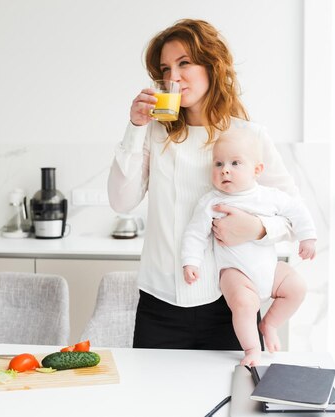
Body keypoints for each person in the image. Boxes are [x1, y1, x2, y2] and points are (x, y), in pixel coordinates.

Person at [108, 19, 300, 350]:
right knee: (154, 402)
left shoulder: (250, 136)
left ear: (212, 66)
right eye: (166, 68)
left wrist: (255, 228)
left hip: (231, 307)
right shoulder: (154, 133)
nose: (173, 77)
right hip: (159, 304)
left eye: (184, 63)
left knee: (232, 400)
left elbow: (295, 217)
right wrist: (134, 126)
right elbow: (121, 202)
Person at [181, 128, 317, 365]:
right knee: (243, 305)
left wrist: (308, 237)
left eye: (235, 163)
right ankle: (252, 349)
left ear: (257, 170)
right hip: (236, 273)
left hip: (270, 270)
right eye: (218, 163)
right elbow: (195, 234)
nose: (225, 169)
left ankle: (270, 323)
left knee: (297, 286)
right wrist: (190, 261)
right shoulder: (212, 202)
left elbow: (297, 211)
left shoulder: (270, 196)